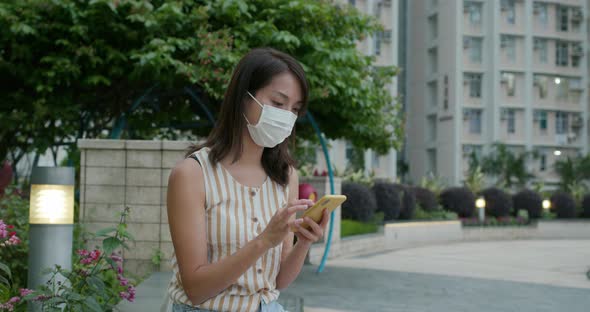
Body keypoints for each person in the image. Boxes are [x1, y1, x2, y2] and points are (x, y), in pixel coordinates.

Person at [165, 48, 329, 312]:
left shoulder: (286, 177)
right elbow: (195, 289)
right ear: (244, 98)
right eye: (278, 103)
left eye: (294, 109)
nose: (287, 116)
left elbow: (277, 281)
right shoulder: (192, 174)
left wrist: (305, 242)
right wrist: (264, 241)